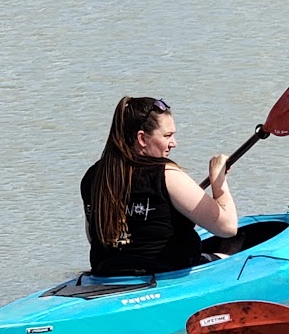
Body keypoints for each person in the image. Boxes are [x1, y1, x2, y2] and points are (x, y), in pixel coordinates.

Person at [81, 96, 238, 277]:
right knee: (232, 254)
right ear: (142, 138)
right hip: (165, 275)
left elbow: (93, 237)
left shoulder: (92, 176)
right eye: (167, 136)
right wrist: (218, 181)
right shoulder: (167, 174)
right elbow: (228, 227)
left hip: (106, 275)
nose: (174, 143)